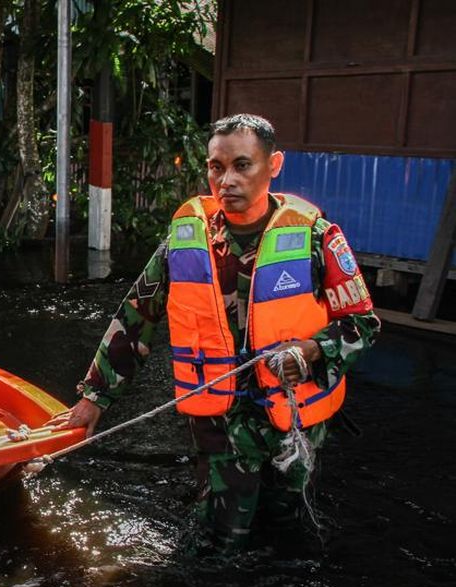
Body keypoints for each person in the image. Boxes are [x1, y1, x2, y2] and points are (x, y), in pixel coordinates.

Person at [54, 114, 381, 550]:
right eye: (215, 167)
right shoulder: (185, 241)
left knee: (287, 535)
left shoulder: (317, 239)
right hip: (219, 424)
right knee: (223, 539)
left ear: (273, 165)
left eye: (242, 165)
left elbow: (361, 322)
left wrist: (312, 351)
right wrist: (95, 398)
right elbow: (137, 316)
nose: (225, 179)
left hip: (292, 419)